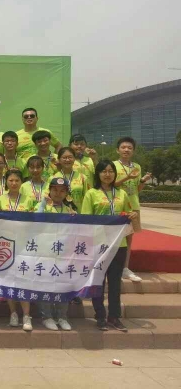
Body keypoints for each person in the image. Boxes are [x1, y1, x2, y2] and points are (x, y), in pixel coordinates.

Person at [81, 160, 137, 332]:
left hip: (119, 244)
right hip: (99, 245)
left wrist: (131, 215)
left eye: (111, 171)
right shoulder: (91, 194)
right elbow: (86, 219)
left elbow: (127, 212)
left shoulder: (121, 193)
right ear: (98, 174)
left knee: (115, 282)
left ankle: (114, 317)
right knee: (98, 281)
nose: (107, 174)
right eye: (104, 171)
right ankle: (100, 316)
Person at [35, 177, 78, 331]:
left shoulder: (69, 210)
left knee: (63, 285)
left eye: (62, 191)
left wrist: (75, 219)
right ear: (49, 191)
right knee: (45, 284)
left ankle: (62, 316)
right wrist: (42, 204)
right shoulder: (43, 206)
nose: (58, 193)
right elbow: (35, 221)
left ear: (66, 193)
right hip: (45, 252)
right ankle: (46, 316)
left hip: (63, 255)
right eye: (54, 190)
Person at [0, 168, 35, 331]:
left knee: (23, 279)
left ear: (21, 182)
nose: (14, 183)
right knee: (9, 280)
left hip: (23, 245)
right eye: (11, 180)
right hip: (5, 245)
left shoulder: (29, 200)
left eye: (17, 180)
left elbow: (35, 221)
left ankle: (26, 316)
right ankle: (13, 313)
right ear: (6, 182)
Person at [114, 137, 152, 283]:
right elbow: (111, 185)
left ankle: (125, 268)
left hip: (133, 206)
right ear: (117, 150)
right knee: (115, 237)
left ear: (133, 151)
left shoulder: (137, 166)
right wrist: (127, 177)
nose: (126, 150)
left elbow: (137, 189)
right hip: (117, 205)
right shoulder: (113, 165)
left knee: (129, 238)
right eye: (123, 147)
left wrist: (143, 181)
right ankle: (112, 267)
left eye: (129, 148)